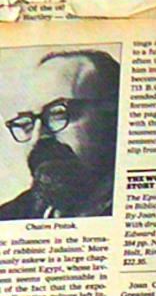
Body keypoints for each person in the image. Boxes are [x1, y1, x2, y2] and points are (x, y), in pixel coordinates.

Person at [0, 48, 119, 219]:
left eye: (57, 114)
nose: (38, 136)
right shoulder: (9, 216)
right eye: (27, 123)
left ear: (112, 114)